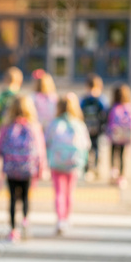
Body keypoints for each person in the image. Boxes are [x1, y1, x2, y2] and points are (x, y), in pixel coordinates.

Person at [0, 95, 47, 241]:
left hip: (11, 168)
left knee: (13, 198)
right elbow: (40, 150)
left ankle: (13, 230)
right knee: (26, 197)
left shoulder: (6, 127)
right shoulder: (34, 126)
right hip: (27, 169)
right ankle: (25, 221)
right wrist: (42, 168)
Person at [45, 93, 90, 235]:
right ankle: (67, 217)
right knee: (70, 192)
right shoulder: (78, 124)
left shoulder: (54, 123)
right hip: (73, 162)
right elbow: (86, 144)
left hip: (57, 163)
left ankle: (60, 219)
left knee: (59, 192)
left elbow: (47, 141)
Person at [106, 83, 131, 189]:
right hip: (125, 137)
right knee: (122, 156)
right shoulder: (129, 108)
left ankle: (113, 172)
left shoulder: (113, 108)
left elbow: (108, 122)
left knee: (113, 154)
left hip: (115, 136)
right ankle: (122, 176)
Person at [79, 73, 108, 180]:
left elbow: (78, 112)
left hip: (87, 128)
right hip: (97, 129)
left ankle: (88, 169)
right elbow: (106, 113)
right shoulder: (101, 99)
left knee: (88, 149)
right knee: (95, 148)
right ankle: (93, 168)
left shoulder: (84, 99)